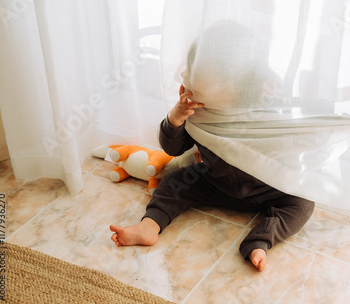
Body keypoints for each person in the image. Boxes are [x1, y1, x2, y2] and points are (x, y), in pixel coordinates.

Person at [109, 21, 315, 272]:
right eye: (191, 70)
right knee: (173, 182)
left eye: (199, 74)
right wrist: (176, 119)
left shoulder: (263, 109)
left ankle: (260, 241)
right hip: (214, 182)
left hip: (266, 188)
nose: (187, 78)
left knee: (304, 201)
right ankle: (149, 226)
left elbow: (300, 124)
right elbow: (174, 149)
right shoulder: (195, 108)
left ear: (232, 88)